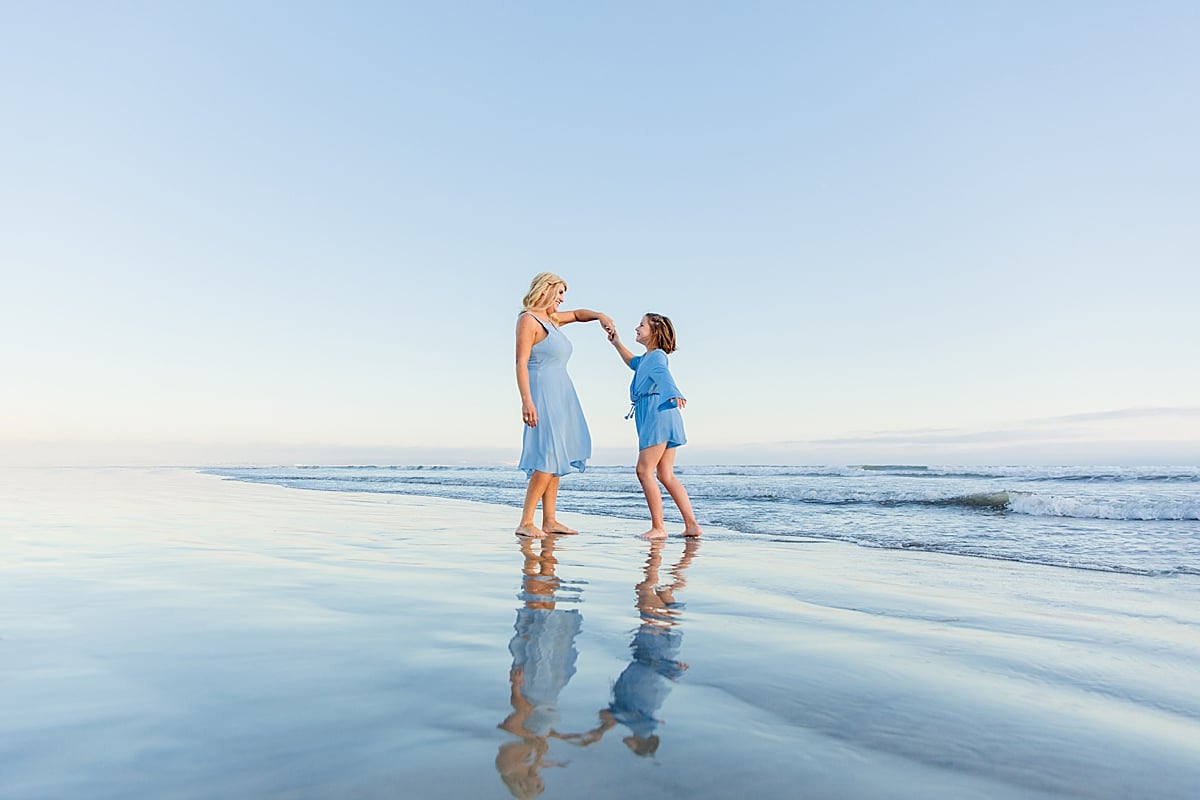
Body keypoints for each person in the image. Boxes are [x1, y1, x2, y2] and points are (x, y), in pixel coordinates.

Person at [515, 272, 613, 538]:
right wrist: (527, 401)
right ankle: (526, 521)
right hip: (542, 391)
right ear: (545, 291)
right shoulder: (529, 320)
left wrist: (600, 316)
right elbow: (520, 362)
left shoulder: (553, 320)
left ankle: (550, 520)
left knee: (556, 455)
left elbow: (580, 314)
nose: (562, 299)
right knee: (547, 455)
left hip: (562, 392)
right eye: (559, 293)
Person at [607, 313, 702, 539]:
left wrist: (674, 393)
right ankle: (691, 525)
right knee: (665, 474)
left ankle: (659, 527)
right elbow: (632, 362)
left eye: (641, 325)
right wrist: (616, 342)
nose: (636, 328)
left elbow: (663, 375)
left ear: (655, 332)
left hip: (657, 413)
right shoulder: (646, 358)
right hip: (663, 413)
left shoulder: (657, 357)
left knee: (643, 471)